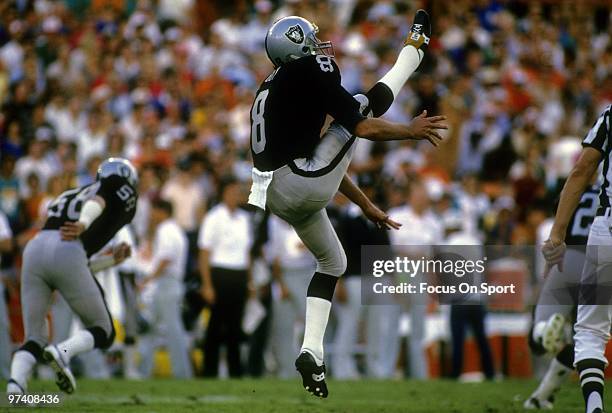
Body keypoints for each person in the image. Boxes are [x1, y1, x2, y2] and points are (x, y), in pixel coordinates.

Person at [248, 11, 447, 397]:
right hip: (299, 182)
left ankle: (312, 352)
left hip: (278, 190)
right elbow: (360, 128)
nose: (319, 44)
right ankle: (413, 52)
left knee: (333, 262)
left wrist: (366, 204)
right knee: (360, 103)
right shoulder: (309, 69)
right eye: (310, 38)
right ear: (298, 45)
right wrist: (409, 131)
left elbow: (327, 158)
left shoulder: (272, 84)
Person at [6, 158, 138, 395]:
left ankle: (15, 389)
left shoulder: (70, 193)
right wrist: (84, 223)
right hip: (68, 248)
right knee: (104, 330)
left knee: (34, 337)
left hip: (36, 249)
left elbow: (78, 266)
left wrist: (110, 260)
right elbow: (100, 199)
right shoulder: (114, 188)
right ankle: (62, 353)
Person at [542, 104, 612, 413]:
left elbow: (582, 170)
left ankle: (594, 405)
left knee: (590, 332)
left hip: (606, 232)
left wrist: (557, 232)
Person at [524, 183, 598, 409]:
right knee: (582, 341)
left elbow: (560, 210)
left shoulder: (581, 186)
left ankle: (540, 397)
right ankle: (541, 396)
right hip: (598, 264)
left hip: (567, 257)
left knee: (538, 336)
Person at [198, 177, 252, 377]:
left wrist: (249, 280)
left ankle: (235, 371)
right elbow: (204, 253)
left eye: (237, 192)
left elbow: (246, 252)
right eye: (231, 192)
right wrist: (207, 284)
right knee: (215, 325)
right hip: (219, 274)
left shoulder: (244, 219)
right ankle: (209, 371)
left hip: (238, 274)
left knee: (235, 326)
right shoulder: (213, 217)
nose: (235, 196)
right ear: (223, 194)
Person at [138, 198, 193, 379]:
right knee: (153, 328)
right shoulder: (174, 230)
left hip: (167, 284)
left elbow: (166, 258)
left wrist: (148, 279)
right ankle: (143, 370)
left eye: (154, 211)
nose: (152, 215)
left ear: (162, 212)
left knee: (172, 330)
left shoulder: (166, 230)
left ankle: (182, 373)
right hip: (168, 284)